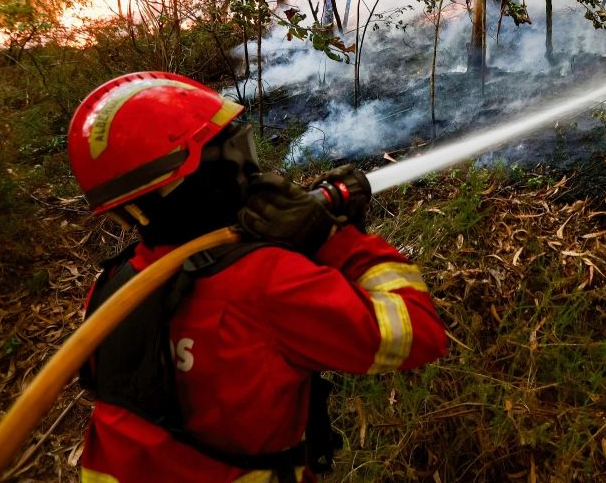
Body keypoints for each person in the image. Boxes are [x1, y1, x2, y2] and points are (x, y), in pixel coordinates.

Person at [67, 71, 447, 483]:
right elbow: (419, 332)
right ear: (196, 176)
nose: (249, 168)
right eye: (236, 151)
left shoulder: (110, 291)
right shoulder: (268, 285)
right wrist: (330, 238)